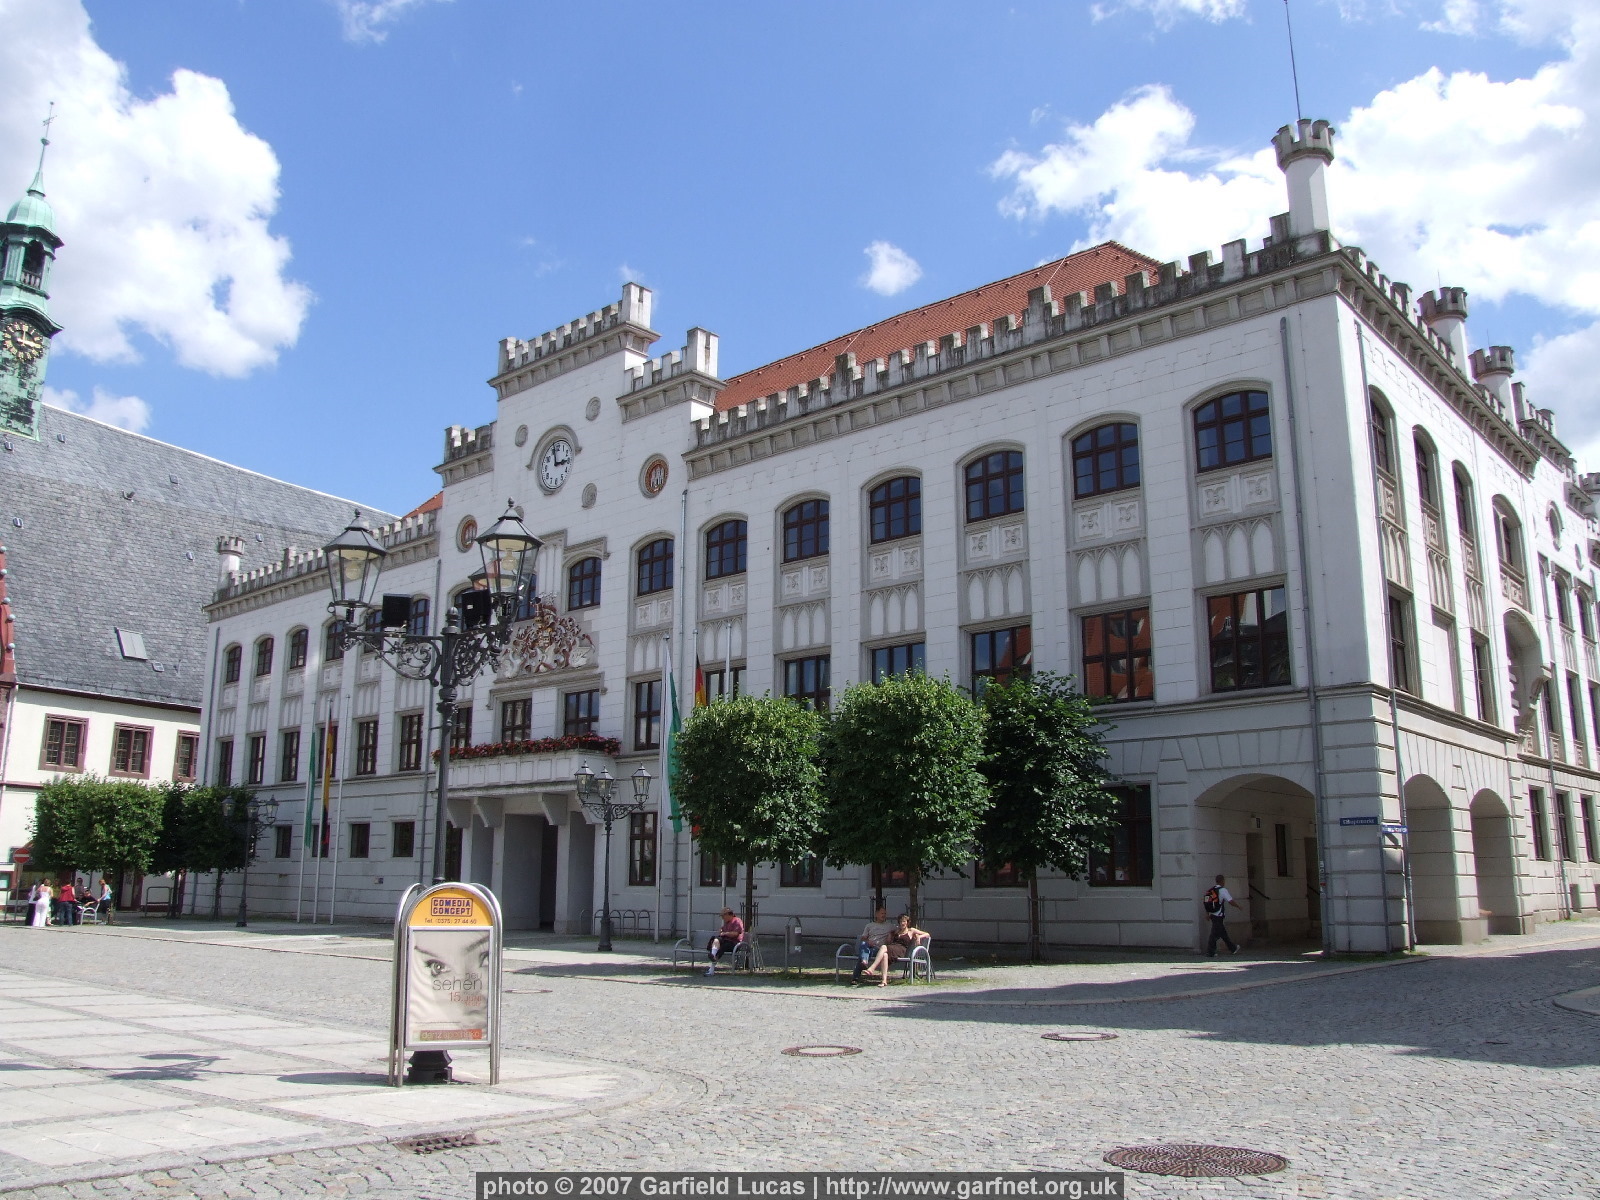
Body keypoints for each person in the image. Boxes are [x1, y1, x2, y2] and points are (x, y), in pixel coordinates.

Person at [867, 913, 929, 987]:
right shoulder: (896, 931)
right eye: (900, 921)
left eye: (904, 921)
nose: (902, 923)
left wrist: (919, 937)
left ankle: (872, 968)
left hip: (901, 950)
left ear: (907, 922)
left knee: (883, 947)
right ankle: (884, 981)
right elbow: (889, 940)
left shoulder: (911, 930)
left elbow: (927, 934)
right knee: (884, 955)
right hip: (892, 948)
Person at [851, 906, 896, 984]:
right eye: (882, 913)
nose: (883, 915)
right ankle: (864, 961)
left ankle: (856, 977)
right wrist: (868, 941)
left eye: (885, 914)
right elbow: (863, 938)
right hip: (868, 947)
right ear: (876, 914)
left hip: (879, 950)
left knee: (862, 956)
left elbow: (902, 929)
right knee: (864, 944)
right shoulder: (869, 925)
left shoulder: (889, 926)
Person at [1204, 874, 1242, 956]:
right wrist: (1238, 906)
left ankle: (1233, 948)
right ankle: (1210, 952)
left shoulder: (1211, 890)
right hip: (1219, 915)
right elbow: (1230, 901)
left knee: (1223, 933)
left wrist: (1207, 913)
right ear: (1222, 881)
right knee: (1214, 934)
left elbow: (1207, 903)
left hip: (1212, 914)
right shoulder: (1223, 890)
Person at [705, 908, 745, 975]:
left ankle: (712, 965)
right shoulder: (727, 923)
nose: (722, 918)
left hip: (734, 943)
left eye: (723, 916)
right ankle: (713, 956)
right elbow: (722, 930)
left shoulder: (737, 921)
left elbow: (735, 934)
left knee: (723, 946)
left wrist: (725, 933)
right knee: (716, 939)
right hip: (726, 941)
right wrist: (721, 930)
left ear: (729, 914)